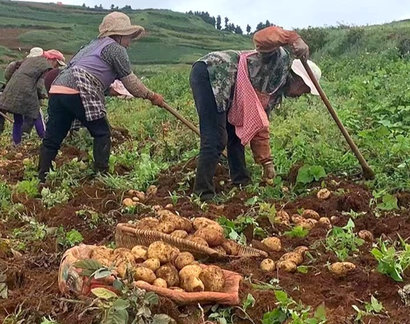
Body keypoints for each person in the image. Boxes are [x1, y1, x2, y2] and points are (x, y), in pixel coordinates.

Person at [189, 26, 320, 199]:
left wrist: (267, 163)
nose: (302, 94)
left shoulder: (274, 93)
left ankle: (241, 181)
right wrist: (293, 38)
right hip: (212, 73)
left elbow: (260, 125)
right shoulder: (279, 61)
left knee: (237, 134)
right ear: (299, 80)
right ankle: (203, 194)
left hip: (228, 89)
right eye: (304, 90)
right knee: (215, 138)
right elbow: (261, 38)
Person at [38, 12, 165, 181]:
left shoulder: (90, 46)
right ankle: (101, 176)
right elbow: (131, 82)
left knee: (52, 138)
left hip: (58, 88)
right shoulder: (115, 49)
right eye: (128, 38)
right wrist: (152, 96)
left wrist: (108, 90)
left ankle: (42, 177)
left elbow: (87, 72)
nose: (129, 43)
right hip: (78, 88)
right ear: (119, 35)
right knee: (101, 132)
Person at [0, 51, 51, 145]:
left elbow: (7, 75)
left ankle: (16, 143)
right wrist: (40, 95)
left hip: (13, 91)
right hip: (28, 93)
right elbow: (39, 86)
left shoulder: (21, 64)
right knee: (37, 115)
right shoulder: (40, 66)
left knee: (17, 119)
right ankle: (44, 139)